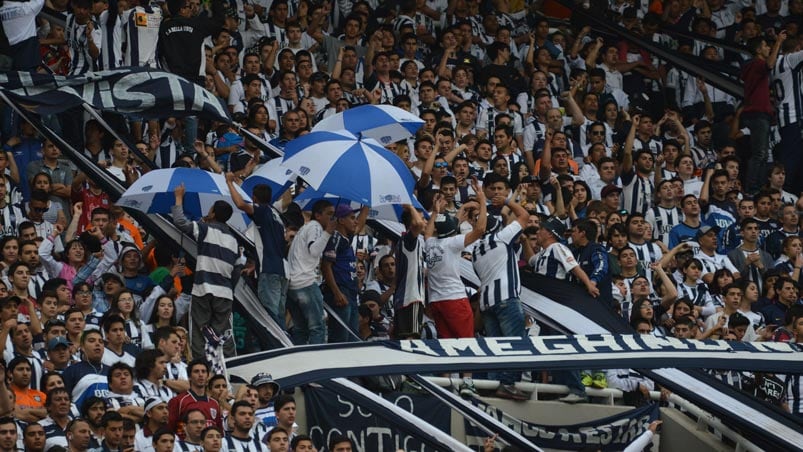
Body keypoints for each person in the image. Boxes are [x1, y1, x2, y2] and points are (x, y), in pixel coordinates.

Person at [472, 173, 530, 401]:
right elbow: (524, 215)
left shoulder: (476, 250)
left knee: (495, 347)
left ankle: (492, 384)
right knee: (516, 344)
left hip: (487, 302)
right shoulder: (501, 239)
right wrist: (506, 199)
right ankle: (507, 384)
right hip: (506, 298)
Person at [172, 183, 239, 357]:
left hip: (203, 290)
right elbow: (237, 269)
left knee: (200, 333)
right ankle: (231, 368)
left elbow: (180, 222)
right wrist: (228, 287)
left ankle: (200, 368)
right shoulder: (233, 240)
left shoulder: (205, 228)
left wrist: (178, 197)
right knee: (224, 333)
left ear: (213, 213)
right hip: (224, 293)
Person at [227, 175, 288, 330]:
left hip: (269, 270)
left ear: (254, 198)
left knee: (270, 316)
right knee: (279, 315)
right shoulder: (275, 213)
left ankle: (276, 349)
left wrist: (229, 183)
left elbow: (240, 204)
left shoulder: (261, 211)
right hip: (283, 270)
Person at [742, 31, 786, 192]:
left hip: (759, 114)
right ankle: (752, 188)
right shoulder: (756, 63)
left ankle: (758, 186)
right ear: (759, 49)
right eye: (766, 46)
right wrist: (779, 42)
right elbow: (770, 64)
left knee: (762, 153)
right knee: (759, 154)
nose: (769, 48)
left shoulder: (752, 66)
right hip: (757, 114)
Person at [286, 200, 334, 345]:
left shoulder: (305, 228)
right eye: (329, 214)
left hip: (292, 284)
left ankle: (298, 362)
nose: (332, 218)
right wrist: (327, 233)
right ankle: (317, 362)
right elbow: (314, 250)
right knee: (317, 328)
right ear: (318, 215)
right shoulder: (315, 227)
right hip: (305, 283)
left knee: (300, 329)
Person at [321, 205, 369, 342]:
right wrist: (337, 293)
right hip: (340, 292)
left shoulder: (347, 238)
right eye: (352, 218)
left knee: (352, 338)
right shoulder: (335, 237)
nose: (356, 221)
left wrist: (367, 204)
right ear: (341, 220)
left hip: (351, 293)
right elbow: (326, 266)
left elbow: (361, 223)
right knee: (340, 339)